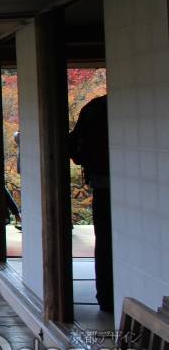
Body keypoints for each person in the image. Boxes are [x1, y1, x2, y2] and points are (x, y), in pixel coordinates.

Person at [69, 94, 112, 312]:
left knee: (105, 242)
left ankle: (106, 296)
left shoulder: (94, 109)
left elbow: (74, 147)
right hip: (106, 182)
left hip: (102, 183)